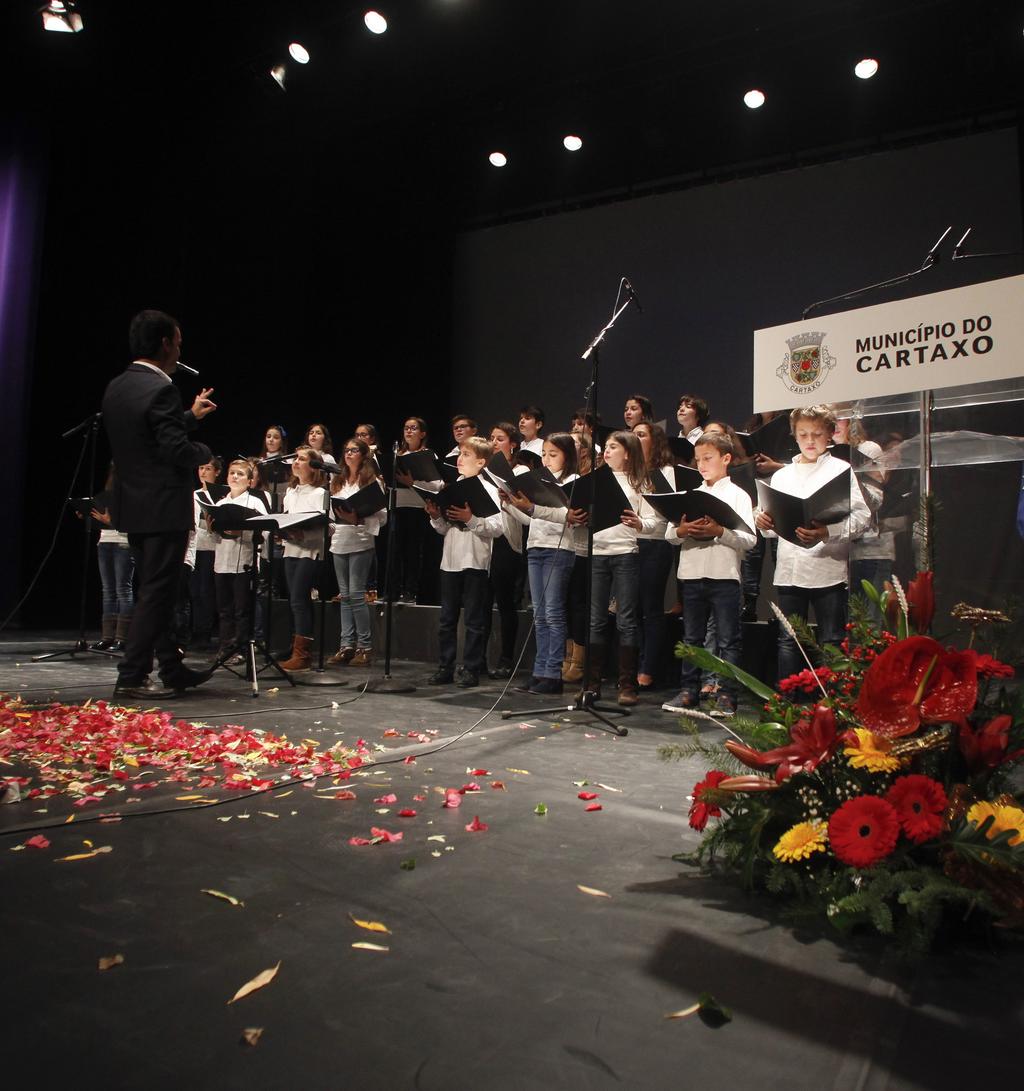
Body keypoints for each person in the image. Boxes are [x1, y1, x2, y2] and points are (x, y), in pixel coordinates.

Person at [101, 309, 217, 700]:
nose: (179, 349)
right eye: (179, 342)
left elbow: (146, 436)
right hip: (163, 505)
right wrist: (202, 449)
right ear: (166, 344)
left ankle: (171, 667)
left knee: (157, 590)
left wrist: (187, 417)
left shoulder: (118, 386)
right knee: (156, 591)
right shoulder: (162, 388)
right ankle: (132, 673)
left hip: (133, 505)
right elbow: (172, 449)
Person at [754, 405, 872, 681]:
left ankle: (834, 701)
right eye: (803, 434)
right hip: (790, 570)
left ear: (829, 434)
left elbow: (863, 517)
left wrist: (827, 531)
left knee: (831, 637)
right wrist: (764, 523)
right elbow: (770, 524)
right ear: (794, 436)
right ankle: (789, 703)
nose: (809, 441)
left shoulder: (840, 469)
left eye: (816, 434)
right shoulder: (782, 475)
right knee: (788, 638)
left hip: (827, 570)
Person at [661, 432, 755, 717]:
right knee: (692, 638)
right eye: (698, 459)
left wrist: (719, 532)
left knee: (728, 639)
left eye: (708, 458)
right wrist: (682, 530)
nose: (701, 465)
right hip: (691, 574)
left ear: (726, 459)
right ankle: (689, 690)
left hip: (723, 575)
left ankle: (726, 695)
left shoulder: (738, 495)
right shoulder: (689, 495)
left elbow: (750, 539)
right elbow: (669, 534)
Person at [502, 432, 585, 693]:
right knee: (539, 614)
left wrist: (531, 508)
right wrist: (511, 505)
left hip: (558, 550)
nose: (547, 460)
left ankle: (553, 673)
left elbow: (568, 516)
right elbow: (532, 520)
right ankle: (540, 671)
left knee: (553, 612)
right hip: (536, 547)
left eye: (553, 455)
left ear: (567, 456)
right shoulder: (540, 480)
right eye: (544, 455)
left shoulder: (573, 481)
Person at [424, 436, 504, 688]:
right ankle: (445, 667)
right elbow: (444, 529)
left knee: (474, 619)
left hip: (475, 562)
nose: (460, 459)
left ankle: (471, 668)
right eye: (460, 453)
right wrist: (437, 517)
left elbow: (497, 528)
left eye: (466, 455)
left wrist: (470, 519)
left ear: (481, 462)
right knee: (447, 619)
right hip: (450, 560)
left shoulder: (489, 490)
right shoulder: (451, 488)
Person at [588, 430, 657, 706]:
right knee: (596, 620)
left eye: (613, 447)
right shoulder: (595, 480)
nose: (606, 451)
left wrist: (639, 523)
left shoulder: (640, 481)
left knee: (626, 619)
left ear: (627, 452)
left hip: (625, 554)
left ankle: (626, 685)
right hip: (597, 553)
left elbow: (653, 523)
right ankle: (592, 684)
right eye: (605, 446)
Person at [327, 437, 386, 667]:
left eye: (354, 450)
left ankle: (365, 646)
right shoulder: (338, 480)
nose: (349, 454)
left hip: (361, 541)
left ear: (363, 455)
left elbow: (382, 517)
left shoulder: (373, 482)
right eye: (347, 450)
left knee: (356, 594)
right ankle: (346, 645)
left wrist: (358, 518)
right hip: (339, 541)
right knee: (344, 596)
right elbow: (332, 514)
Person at [633, 421, 678, 688]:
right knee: (633, 609)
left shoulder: (666, 471)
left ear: (655, 441)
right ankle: (636, 662)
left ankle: (648, 668)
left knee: (651, 608)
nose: (636, 439)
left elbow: (665, 509)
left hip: (654, 543)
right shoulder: (632, 470)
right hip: (632, 543)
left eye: (641, 435)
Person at [277, 446, 328, 671]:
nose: (296, 462)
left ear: (314, 466)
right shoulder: (291, 492)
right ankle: (296, 646)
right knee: (296, 601)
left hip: (309, 551)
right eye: (295, 458)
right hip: (290, 549)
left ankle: (303, 654)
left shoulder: (320, 493)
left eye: (302, 459)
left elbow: (330, 526)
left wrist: (304, 534)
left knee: (299, 599)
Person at [210, 459, 267, 664]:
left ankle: (241, 648)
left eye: (240, 474)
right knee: (224, 609)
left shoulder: (255, 502)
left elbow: (265, 532)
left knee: (242, 609)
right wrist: (212, 529)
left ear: (250, 481)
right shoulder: (220, 504)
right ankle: (225, 647)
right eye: (232, 473)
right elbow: (212, 539)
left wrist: (242, 530)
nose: (235, 476)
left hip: (244, 561)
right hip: (222, 561)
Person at [484, 423, 529, 678]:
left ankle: (506, 658)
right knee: (481, 604)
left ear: (513, 443)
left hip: (506, 542)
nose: (494, 442)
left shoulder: (519, 470)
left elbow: (526, 514)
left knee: (505, 603)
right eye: (491, 438)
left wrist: (507, 502)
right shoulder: (484, 469)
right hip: (484, 540)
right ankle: (478, 658)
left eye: (499, 438)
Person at [88, 465, 135, 652]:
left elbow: (136, 522)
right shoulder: (107, 494)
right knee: (108, 590)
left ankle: (122, 638)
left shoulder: (133, 494)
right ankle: (107, 637)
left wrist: (111, 521)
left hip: (123, 543)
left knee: (123, 589)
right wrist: (88, 515)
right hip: (104, 541)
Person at [392, 416, 433, 602]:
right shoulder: (397, 455)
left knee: (413, 552)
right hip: (398, 507)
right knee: (395, 551)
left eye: (414, 428)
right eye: (406, 428)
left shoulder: (428, 455)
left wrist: (412, 483)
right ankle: (393, 591)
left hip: (417, 509)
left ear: (422, 433)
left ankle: (411, 590)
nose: (409, 431)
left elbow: (437, 485)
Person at [190, 456, 222, 648]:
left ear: (217, 472)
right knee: (194, 592)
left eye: (207, 468)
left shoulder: (220, 495)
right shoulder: (193, 494)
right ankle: (195, 630)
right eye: (201, 468)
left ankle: (205, 632)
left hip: (212, 547)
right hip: (195, 546)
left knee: (206, 591)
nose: (203, 472)